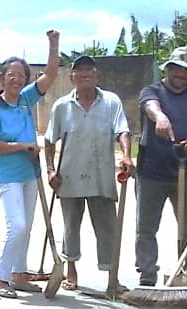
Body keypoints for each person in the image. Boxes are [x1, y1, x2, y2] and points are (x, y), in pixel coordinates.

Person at [0, 30, 60, 299]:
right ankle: (2, 278)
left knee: (29, 224)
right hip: (8, 175)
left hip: (31, 174)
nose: (16, 80)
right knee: (18, 225)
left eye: (21, 76)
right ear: (2, 79)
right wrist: (20, 147)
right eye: (11, 75)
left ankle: (19, 273)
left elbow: (49, 75)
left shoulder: (26, 100)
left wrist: (53, 44)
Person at [43, 55, 134, 291]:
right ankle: (70, 272)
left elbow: (122, 130)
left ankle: (112, 279)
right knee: (71, 226)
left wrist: (126, 154)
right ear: (72, 77)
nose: (84, 74)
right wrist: (51, 169)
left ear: (97, 76)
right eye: (79, 71)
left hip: (101, 176)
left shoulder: (111, 101)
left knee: (107, 228)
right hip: (69, 177)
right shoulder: (62, 106)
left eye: (89, 70)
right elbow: (50, 139)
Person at [135, 46, 187, 287]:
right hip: (152, 172)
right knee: (146, 227)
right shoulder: (152, 91)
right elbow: (150, 106)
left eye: (186, 71)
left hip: (186, 172)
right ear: (167, 70)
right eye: (176, 69)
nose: (181, 74)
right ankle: (147, 274)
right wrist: (160, 117)